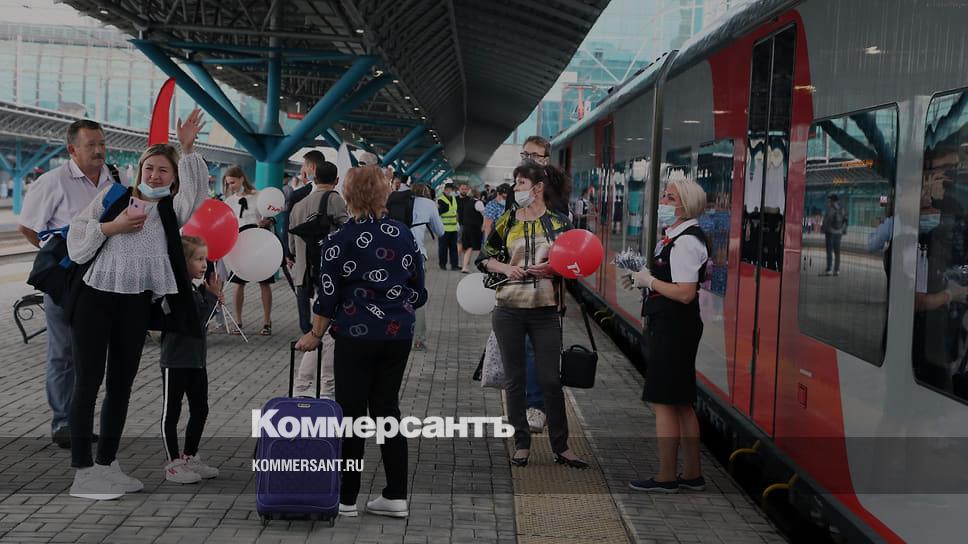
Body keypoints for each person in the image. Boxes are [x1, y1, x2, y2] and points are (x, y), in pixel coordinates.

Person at [66, 109, 208, 500]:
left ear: (173, 178)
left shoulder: (170, 211)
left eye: (163, 170)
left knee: (121, 386)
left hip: (134, 305)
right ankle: (83, 472)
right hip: (94, 300)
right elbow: (77, 242)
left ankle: (106, 463)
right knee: (87, 383)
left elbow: (196, 192)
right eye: (149, 168)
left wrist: (187, 149)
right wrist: (112, 227)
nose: (154, 175)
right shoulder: (113, 196)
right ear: (139, 169)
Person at [295, 166, 427, 519]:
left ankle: (347, 498)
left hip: (355, 336)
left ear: (347, 196)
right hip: (397, 335)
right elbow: (420, 289)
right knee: (388, 411)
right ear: (384, 195)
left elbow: (327, 297)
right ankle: (395, 496)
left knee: (351, 414)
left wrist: (314, 335)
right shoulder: (403, 235)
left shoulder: (337, 241)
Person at [476, 161, 586, 469]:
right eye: (515, 183)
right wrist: (505, 268)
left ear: (538, 188)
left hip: (545, 312)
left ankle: (562, 446)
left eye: (521, 183)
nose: (516, 189)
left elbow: (576, 265)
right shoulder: (507, 221)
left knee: (550, 379)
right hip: (508, 310)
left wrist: (553, 268)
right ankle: (521, 443)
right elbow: (484, 259)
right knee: (515, 380)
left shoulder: (559, 224)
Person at [18, 120, 112, 449]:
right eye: (91, 145)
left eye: (102, 143)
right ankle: (63, 422)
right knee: (63, 352)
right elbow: (28, 227)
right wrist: (60, 254)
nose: (99, 150)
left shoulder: (113, 179)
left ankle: (80, 420)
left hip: (103, 279)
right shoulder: (53, 181)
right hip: (66, 280)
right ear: (72, 149)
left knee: (90, 353)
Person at [623, 176, 709, 493]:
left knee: (664, 402)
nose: (663, 201)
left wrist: (650, 282)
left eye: (670, 198)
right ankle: (692, 473)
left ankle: (666, 476)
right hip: (674, 324)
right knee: (681, 401)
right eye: (665, 196)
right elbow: (672, 281)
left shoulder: (686, 242)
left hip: (674, 327)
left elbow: (685, 292)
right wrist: (642, 279)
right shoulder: (676, 237)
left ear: (685, 205)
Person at [160, 235, 222, 483]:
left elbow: (202, 318)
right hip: (175, 360)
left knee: (200, 408)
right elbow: (196, 321)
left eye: (205, 259)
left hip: (196, 360)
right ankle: (172, 463)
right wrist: (212, 297)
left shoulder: (195, 289)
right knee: (172, 411)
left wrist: (209, 295)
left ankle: (190, 455)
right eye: (198, 259)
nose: (204, 264)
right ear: (183, 261)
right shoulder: (177, 289)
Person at [288, 160, 348, 396]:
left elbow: (292, 247)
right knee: (327, 333)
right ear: (336, 180)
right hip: (327, 276)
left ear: (314, 179)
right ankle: (323, 389)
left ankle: (303, 387)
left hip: (304, 277)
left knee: (316, 329)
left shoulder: (298, 206)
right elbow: (346, 236)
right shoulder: (335, 200)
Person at [223, 166, 275, 335]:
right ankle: (238, 321)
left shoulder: (258, 196)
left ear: (241, 179)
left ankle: (267, 322)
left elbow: (270, 215)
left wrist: (267, 221)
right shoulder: (229, 202)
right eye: (228, 183)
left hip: (260, 243)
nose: (231, 186)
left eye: (233, 182)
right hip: (240, 245)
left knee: (264, 282)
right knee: (238, 283)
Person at [409, 183, 445, 351]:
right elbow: (440, 231)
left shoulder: (399, 202)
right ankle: (418, 339)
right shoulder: (429, 204)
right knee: (418, 294)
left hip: (394, 253)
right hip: (417, 254)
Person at [821, 194, 847, 276]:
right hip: (839, 233)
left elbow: (826, 221)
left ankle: (829, 269)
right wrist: (842, 231)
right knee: (837, 252)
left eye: (830, 200)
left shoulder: (830, 209)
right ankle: (837, 270)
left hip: (830, 233)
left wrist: (823, 229)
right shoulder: (842, 209)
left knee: (829, 251)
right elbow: (845, 220)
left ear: (832, 201)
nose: (829, 202)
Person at [460, 189, 485, 273]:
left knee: (469, 247)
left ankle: (465, 266)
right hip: (475, 228)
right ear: (478, 195)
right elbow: (485, 215)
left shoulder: (466, 202)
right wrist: (484, 225)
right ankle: (480, 266)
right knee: (477, 248)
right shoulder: (479, 203)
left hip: (466, 227)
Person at [437, 182, 460, 270]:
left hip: (453, 228)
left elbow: (455, 211)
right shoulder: (440, 200)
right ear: (445, 190)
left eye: (451, 190)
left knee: (454, 248)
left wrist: (457, 223)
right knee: (443, 248)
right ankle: (442, 265)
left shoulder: (453, 198)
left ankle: (454, 265)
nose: (450, 191)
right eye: (449, 190)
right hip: (444, 229)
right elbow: (439, 213)